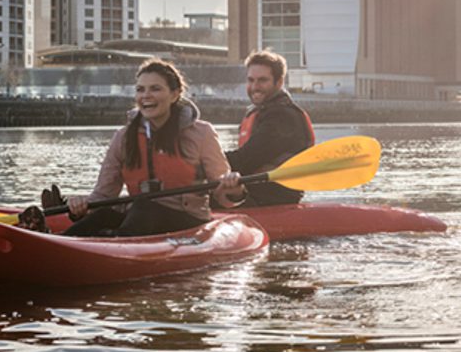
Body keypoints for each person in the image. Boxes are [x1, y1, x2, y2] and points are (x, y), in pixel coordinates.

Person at [62, 58, 247, 237]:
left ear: (174, 94)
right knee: (105, 215)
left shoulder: (202, 133)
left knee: (145, 206)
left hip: (187, 220)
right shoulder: (123, 137)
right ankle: (65, 240)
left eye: (155, 89)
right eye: (140, 90)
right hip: (138, 217)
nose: (145, 96)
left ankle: (117, 241)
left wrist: (233, 188)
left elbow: (223, 194)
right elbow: (104, 194)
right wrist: (81, 207)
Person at [221, 50, 315, 207]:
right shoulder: (260, 112)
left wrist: (201, 164)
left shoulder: (282, 116)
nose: (254, 87)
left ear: (279, 82)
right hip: (252, 192)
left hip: (273, 198)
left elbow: (247, 160)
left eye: (262, 80)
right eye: (250, 80)